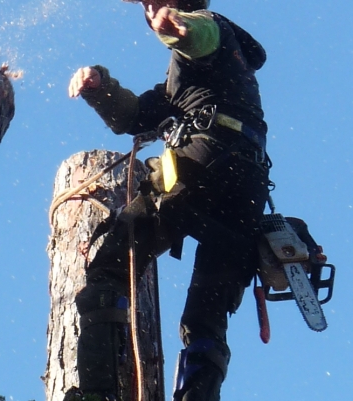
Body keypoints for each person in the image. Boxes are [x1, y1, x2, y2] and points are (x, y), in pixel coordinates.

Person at [67, 1, 270, 400]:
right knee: (206, 315)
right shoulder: (209, 77)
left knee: (110, 267)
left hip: (206, 161)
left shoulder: (209, 30)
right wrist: (99, 86)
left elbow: (202, 34)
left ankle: (99, 394)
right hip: (247, 185)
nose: (150, 8)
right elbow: (137, 116)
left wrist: (178, 28)